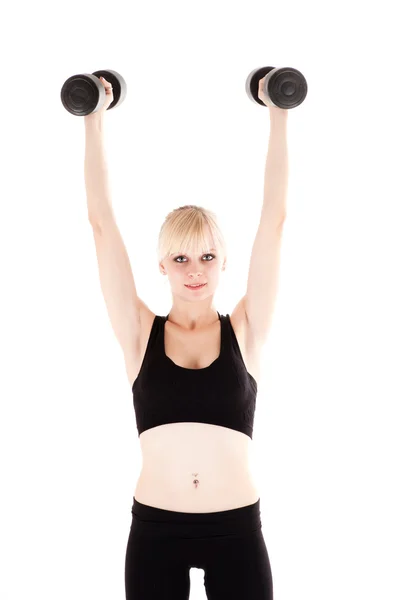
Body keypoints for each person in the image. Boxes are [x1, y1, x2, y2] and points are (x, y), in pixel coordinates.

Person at [86, 76, 287, 599]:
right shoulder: (138, 333)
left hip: (237, 530)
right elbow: (102, 224)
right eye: (180, 258)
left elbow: (275, 221)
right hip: (156, 532)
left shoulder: (247, 329)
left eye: (206, 257)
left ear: (224, 262)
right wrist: (94, 117)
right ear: (162, 265)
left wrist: (279, 111)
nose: (194, 271)